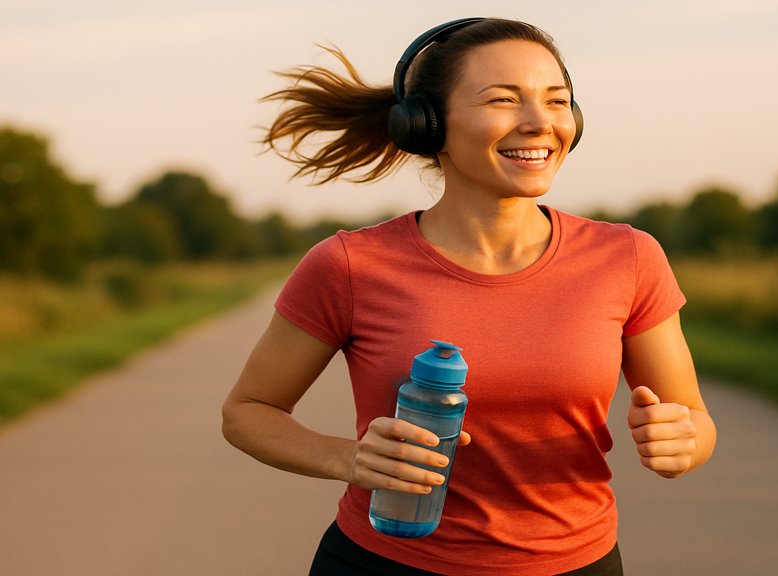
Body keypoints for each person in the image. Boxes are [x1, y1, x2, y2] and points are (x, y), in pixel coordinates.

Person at [222, 17, 716, 576]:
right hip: (384, 564)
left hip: (577, 565)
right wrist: (349, 458)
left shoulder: (627, 257)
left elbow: (694, 419)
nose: (540, 122)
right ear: (427, 124)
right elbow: (247, 412)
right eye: (503, 100)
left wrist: (682, 443)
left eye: (557, 101)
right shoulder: (350, 265)